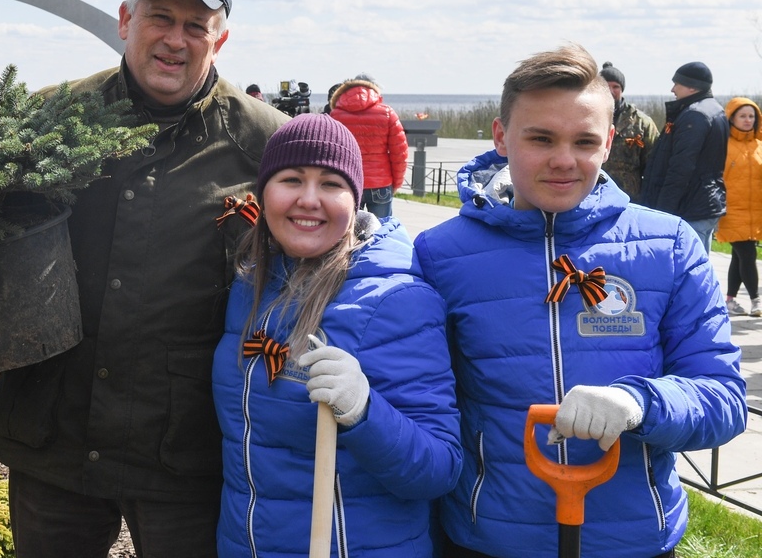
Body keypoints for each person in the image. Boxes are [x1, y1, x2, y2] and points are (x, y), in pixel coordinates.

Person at [0, 0, 289, 557]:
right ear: (125, 19)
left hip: (187, 453)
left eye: (194, 26)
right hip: (57, 440)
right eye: (160, 17)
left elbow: (329, 239)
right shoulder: (51, 115)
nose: (174, 40)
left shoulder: (262, 142)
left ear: (221, 38)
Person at [414, 43, 746, 558]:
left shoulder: (669, 245)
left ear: (610, 142)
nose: (564, 160)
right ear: (501, 137)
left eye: (585, 141)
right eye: (541, 138)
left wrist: (639, 402)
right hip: (490, 537)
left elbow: (723, 400)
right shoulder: (441, 254)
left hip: (632, 539)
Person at [212, 113, 460, 557]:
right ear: (263, 192)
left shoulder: (397, 299)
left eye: (331, 184)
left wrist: (365, 412)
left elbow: (438, 469)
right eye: (290, 179)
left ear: (356, 198)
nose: (309, 199)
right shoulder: (250, 284)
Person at [640, 61, 728, 253]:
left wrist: (663, 213)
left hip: (689, 208)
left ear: (691, 86)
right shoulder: (714, 110)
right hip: (703, 204)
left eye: (677, 83)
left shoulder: (694, 115)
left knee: (688, 273)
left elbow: (681, 168)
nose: (673, 89)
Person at [328, 73, 407, 218]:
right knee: (382, 232)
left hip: (349, 182)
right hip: (381, 183)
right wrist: (395, 184)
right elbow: (399, 154)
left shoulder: (336, 115)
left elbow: (332, 154)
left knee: (348, 232)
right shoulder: (387, 113)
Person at [718, 97, 762, 317]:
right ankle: (756, 300)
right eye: (742, 116)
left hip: (756, 213)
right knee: (748, 255)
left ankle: (730, 301)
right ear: (731, 118)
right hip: (731, 211)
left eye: (751, 116)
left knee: (738, 257)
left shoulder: (759, 146)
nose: (747, 120)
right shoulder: (722, 145)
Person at [598, 61, 660, 200]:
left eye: (616, 87)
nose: (611, 91)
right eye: (606, 86)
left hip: (630, 199)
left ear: (622, 90)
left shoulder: (642, 123)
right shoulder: (586, 119)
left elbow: (654, 165)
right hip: (592, 195)